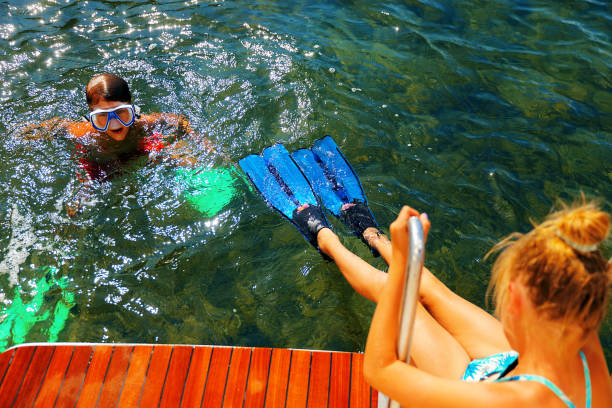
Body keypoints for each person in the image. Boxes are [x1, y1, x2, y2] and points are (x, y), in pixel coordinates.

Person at [326, 201, 611, 407]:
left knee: (395, 293)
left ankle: (327, 241)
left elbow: (380, 370)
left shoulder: (517, 401)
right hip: (514, 368)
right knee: (432, 291)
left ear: (518, 307)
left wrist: (403, 264)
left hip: (480, 389)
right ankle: (373, 236)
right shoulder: (585, 344)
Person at [20, 73, 213, 214]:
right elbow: (57, 127)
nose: (114, 124)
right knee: (76, 207)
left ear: (131, 106)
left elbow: (179, 121)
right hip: (100, 165)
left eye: (120, 113)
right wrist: (27, 135)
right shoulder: (83, 131)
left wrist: (205, 146)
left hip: (138, 153)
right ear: (91, 115)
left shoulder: (143, 123)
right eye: (102, 116)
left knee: (179, 157)